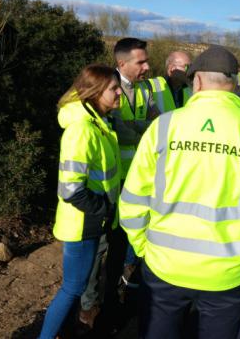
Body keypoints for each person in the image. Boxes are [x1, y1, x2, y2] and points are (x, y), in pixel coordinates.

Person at [119, 45, 240, 338]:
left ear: (197, 81)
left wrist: (142, 247)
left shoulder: (163, 127)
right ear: (235, 83)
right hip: (229, 271)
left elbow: (133, 200)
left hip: (164, 266)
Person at [80, 37, 159, 327]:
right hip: (113, 181)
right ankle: (89, 306)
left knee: (123, 240)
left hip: (138, 179)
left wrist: (143, 128)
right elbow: (125, 132)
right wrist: (145, 130)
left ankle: (112, 296)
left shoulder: (144, 89)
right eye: (141, 61)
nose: (147, 66)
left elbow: (157, 122)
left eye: (146, 60)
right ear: (122, 63)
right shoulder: (109, 90)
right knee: (101, 246)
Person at [39, 65, 123, 339]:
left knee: (77, 285)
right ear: (96, 92)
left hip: (91, 222)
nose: (120, 92)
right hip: (82, 225)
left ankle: (61, 332)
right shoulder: (82, 130)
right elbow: (71, 190)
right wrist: (105, 210)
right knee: (73, 288)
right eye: (114, 88)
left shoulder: (98, 124)